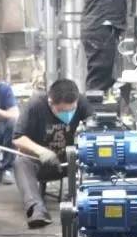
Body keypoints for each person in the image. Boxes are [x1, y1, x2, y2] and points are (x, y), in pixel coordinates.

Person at [12, 79, 94, 228]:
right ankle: (36, 209)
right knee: (21, 162)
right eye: (62, 111)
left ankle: (89, 203)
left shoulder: (81, 101)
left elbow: (95, 126)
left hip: (71, 160)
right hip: (42, 161)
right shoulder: (35, 105)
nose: (68, 115)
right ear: (50, 102)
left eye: (71, 110)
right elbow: (18, 138)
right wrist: (42, 151)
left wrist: (89, 129)